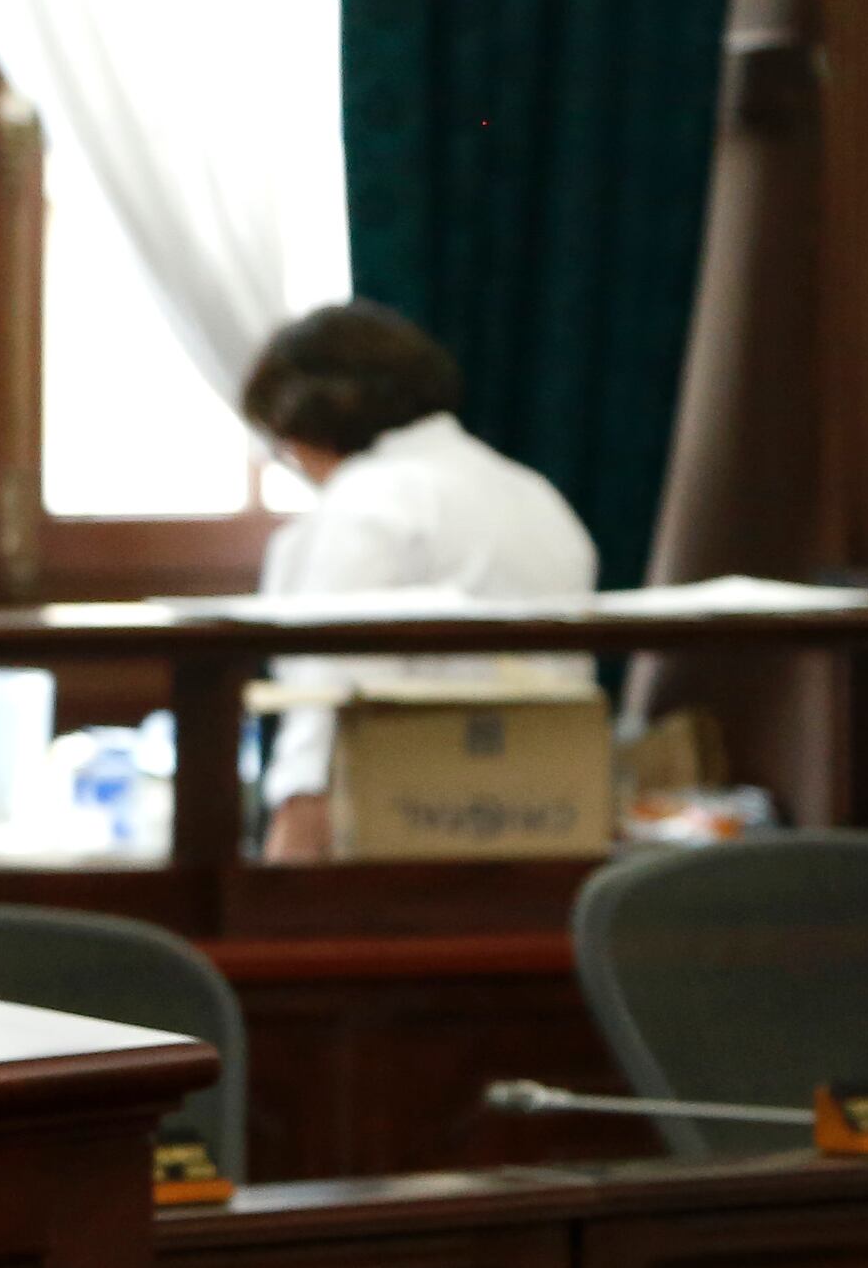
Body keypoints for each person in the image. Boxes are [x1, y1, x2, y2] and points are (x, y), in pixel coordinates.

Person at [237, 302, 602, 861]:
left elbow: (325, 693)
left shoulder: (368, 500)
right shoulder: (534, 494)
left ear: (305, 418)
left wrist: (289, 854)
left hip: (404, 829)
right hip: (552, 817)